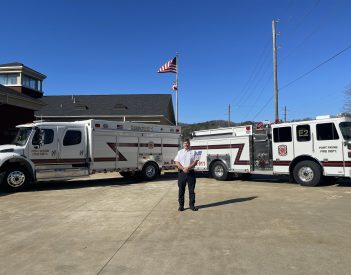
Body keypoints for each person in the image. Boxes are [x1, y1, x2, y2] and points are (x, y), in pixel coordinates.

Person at [174, 138, 199, 211]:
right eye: (185, 143)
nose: (186, 144)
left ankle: (192, 205)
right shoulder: (180, 152)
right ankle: (181, 206)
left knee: (191, 190)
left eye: (187, 143)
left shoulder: (194, 152)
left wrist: (188, 168)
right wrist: (183, 168)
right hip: (182, 173)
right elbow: (176, 162)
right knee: (181, 190)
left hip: (191, 173)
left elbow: (195, 162)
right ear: (183, 144)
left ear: (189, 144)